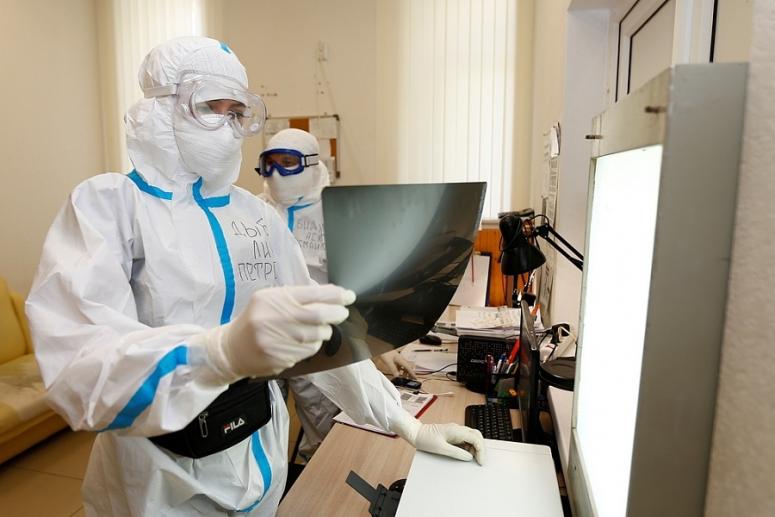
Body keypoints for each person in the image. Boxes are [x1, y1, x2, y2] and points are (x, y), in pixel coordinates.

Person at [25, 37, 483, 516]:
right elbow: (82, 364)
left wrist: (405, 422)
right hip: (161, 481)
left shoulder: (256, 217)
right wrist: (218, 354)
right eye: (210, 107)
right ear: (162, 106)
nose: (227, 126)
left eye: (237, 112)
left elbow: (322, 332)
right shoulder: (110, 206)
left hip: (259, 456)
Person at [257, 128, 416, 460]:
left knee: (323, 428)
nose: (276, 173)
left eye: (287, 162)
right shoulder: (254, 211)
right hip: (266, 337)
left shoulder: (339, 213)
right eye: (269, 163)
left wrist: (377, 346)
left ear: (312, 163)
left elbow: (356, 289)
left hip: (322, 340)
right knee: (264, 429)